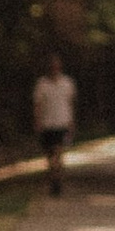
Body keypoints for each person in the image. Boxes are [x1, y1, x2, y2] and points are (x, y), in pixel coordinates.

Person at [32, 55, 77, 197]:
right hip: (47, 124)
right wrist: (38, 121)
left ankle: (57, 181)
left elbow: (71, 103)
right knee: (50, 156)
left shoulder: (67, 83)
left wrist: (71, 122)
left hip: (62, 122)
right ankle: (53, 178)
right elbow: (37, 105)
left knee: (58, 153)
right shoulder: (42, 84)